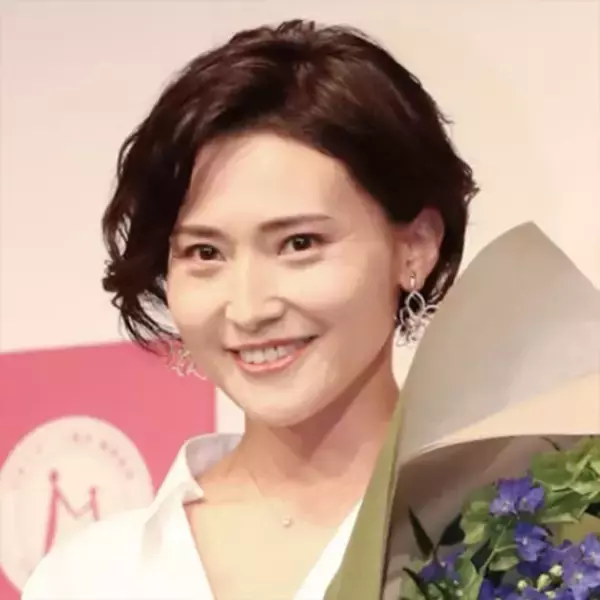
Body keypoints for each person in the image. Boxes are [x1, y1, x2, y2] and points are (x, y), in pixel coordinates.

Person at [22, 19, 477, 600]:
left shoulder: (522, 535)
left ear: (415, 247)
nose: (249, 307)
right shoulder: (89, 578)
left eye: (299, 244)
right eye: (204, 253)